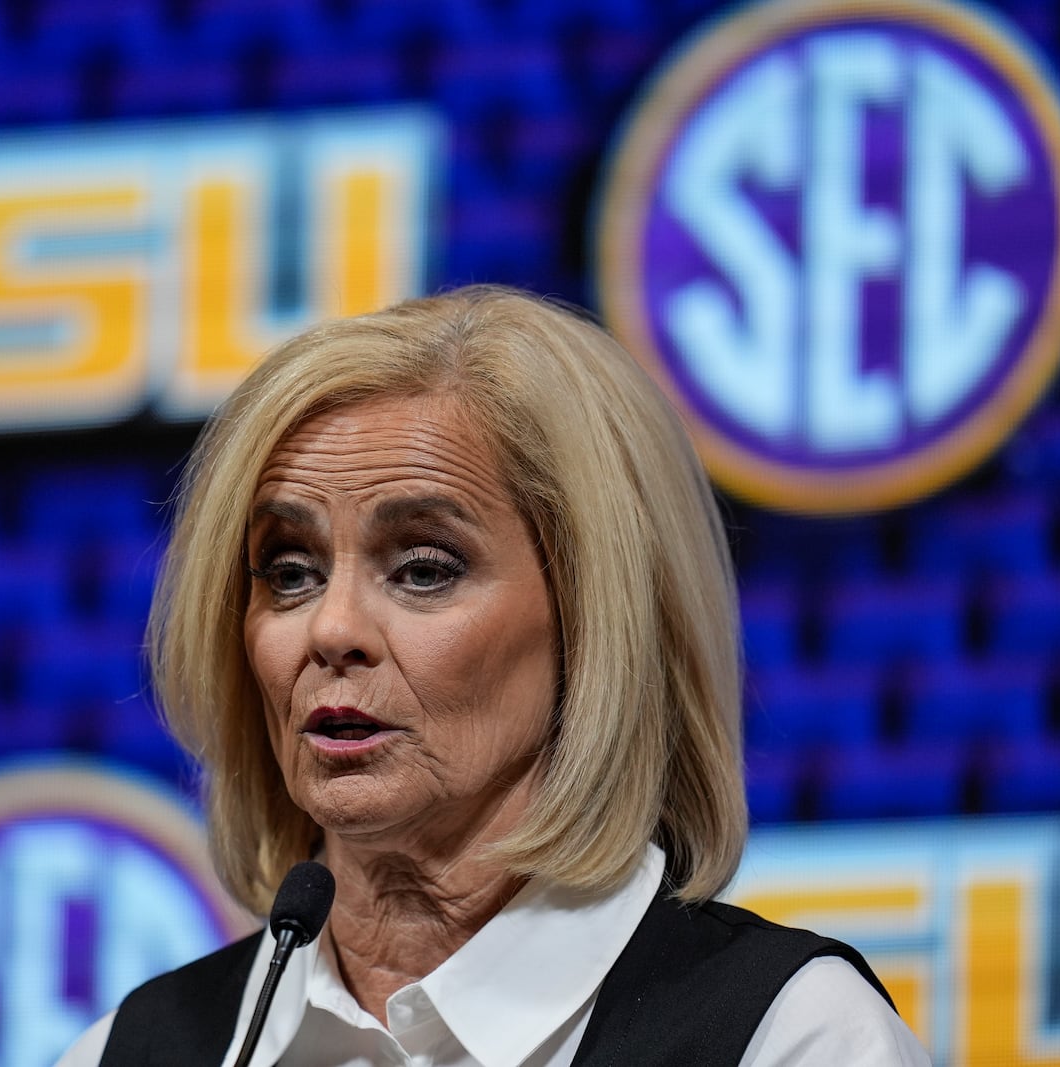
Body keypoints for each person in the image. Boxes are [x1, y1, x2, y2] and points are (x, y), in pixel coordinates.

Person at [58, 285, 930, 1066]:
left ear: (595, 620)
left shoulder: (793, 1039)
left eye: (424, 568)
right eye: (289, 571)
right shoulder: (131, 1051)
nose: (330, 629)